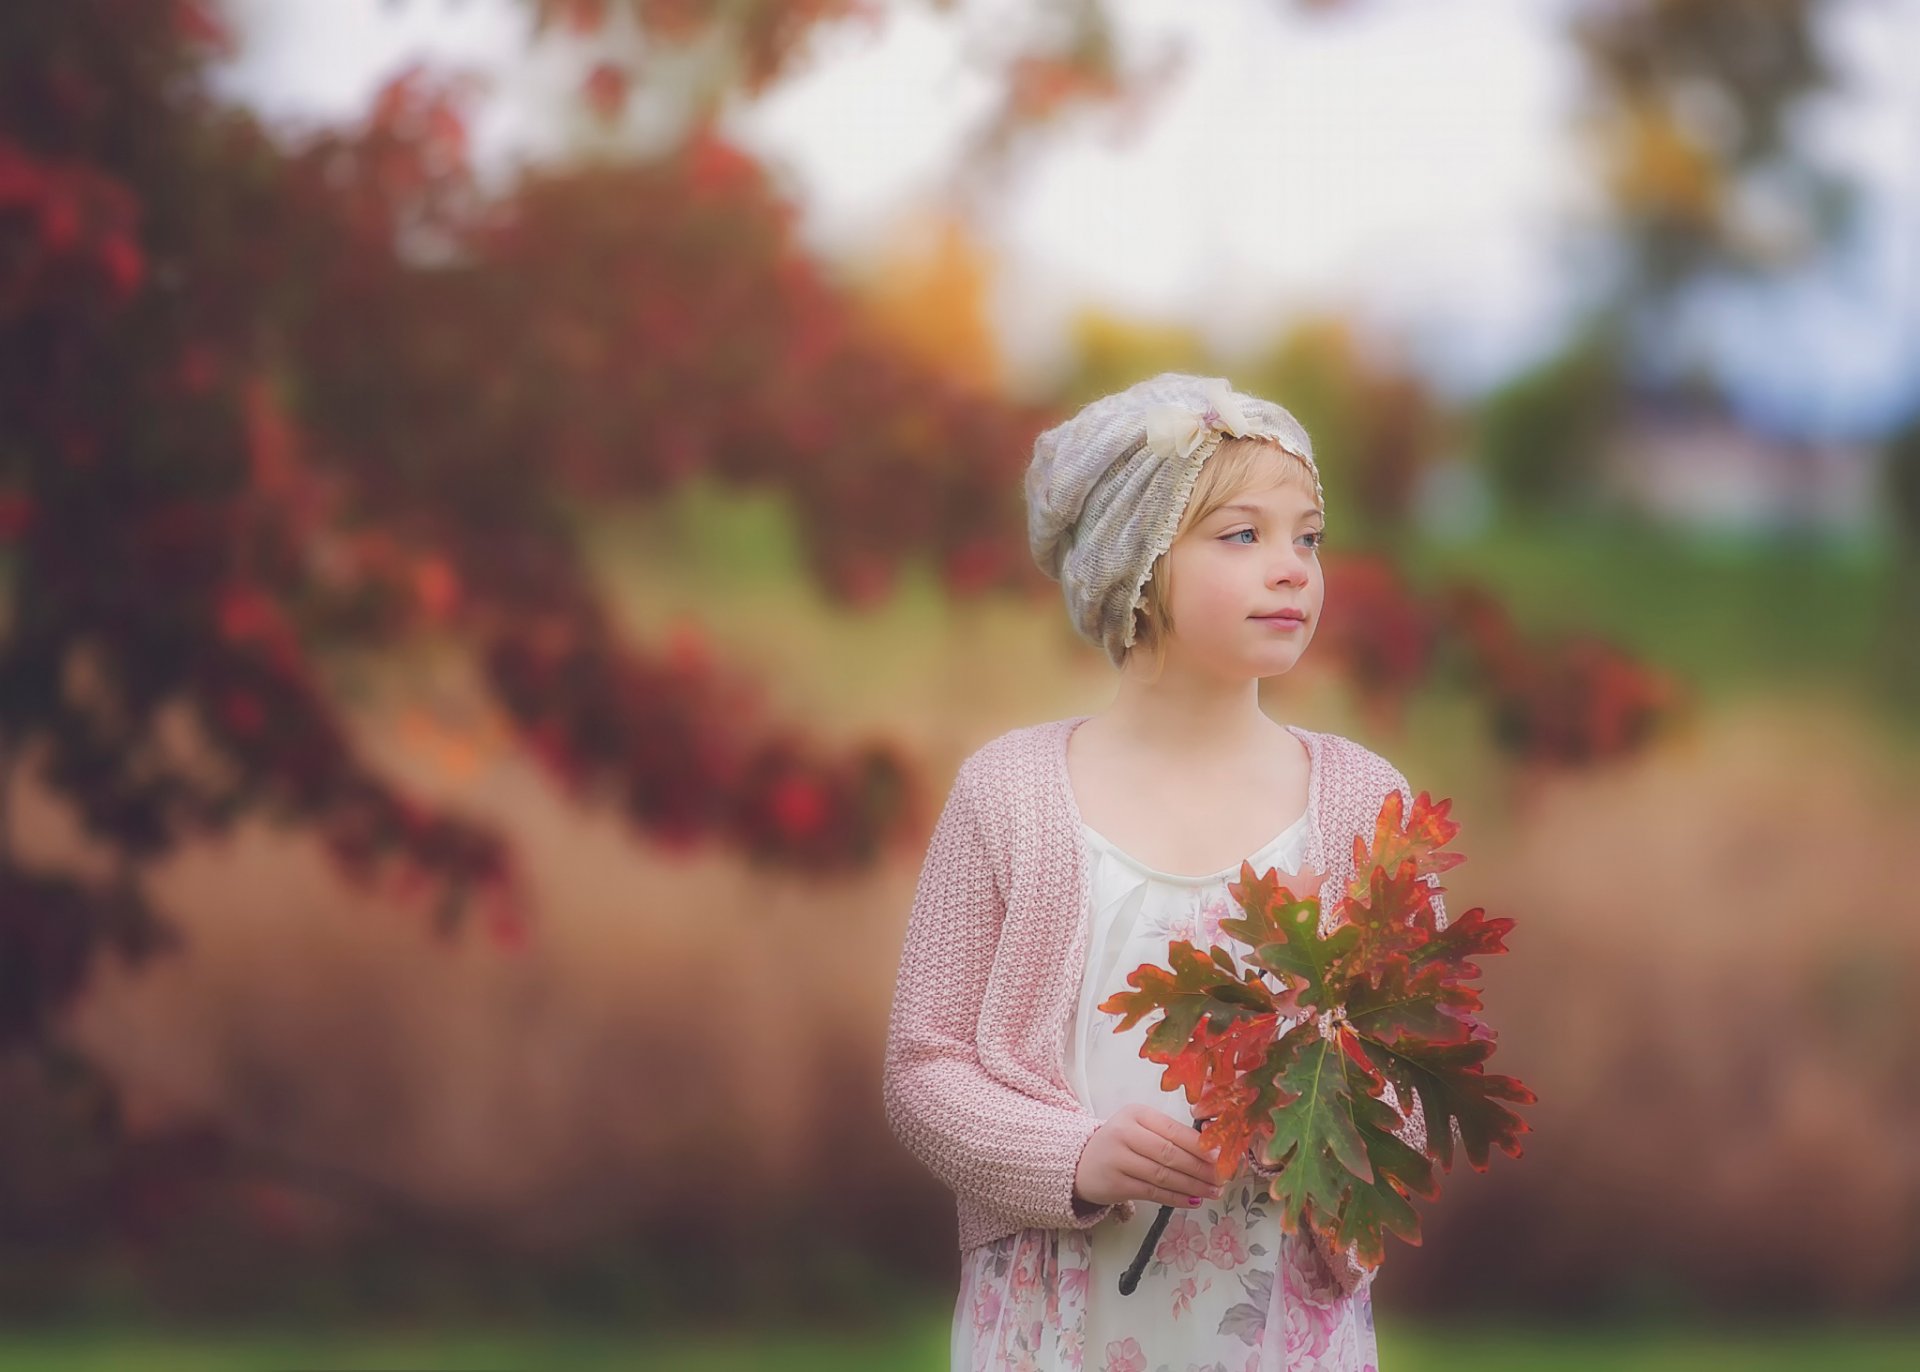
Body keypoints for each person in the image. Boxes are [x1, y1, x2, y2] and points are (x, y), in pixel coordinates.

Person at [882, 373, 1449, 1372]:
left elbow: (1416, 1079)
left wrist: (1326, 1133)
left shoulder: (1367, 805)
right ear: (1134, 559)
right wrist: (1075, 1156)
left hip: (1277, 1333)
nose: (1293, 571)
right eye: (1242, 535)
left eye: (1307, 538)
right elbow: (925, 1070)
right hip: (1055, 1330)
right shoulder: (1009, 794)